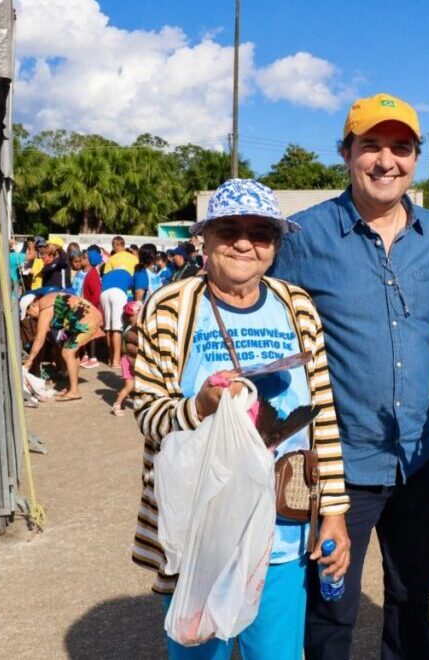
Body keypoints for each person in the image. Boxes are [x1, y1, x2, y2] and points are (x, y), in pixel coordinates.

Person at [271, 93, 429, 660]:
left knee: (414, 600)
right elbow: (255, 308)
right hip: (337, 468)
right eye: (371, 146)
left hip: (417, 460)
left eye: (401, 148)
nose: (386, 161)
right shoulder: (302, 237)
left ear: (415, 158)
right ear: (346, 153)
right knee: (330, 607)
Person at [131, 178, 350, 659]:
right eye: (230, 229)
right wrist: (201, 407)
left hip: (282, 528)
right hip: (201, 533)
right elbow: (148, 414)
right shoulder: (171, 308)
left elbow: (323, 417)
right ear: (204, 238)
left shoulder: (298, 307)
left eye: (262, 232)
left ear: (276, 244)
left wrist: (333, 511)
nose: (246, 243)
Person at [22, 291, 101, 401]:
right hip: (87, 316)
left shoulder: (45, 308)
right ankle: (72, 387)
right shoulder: (46, 301)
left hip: (87, 319)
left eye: (28, 313)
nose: (29, 316)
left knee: (67, 352)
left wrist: (29, 361)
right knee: (73, 353)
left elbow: (39, 338)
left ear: (32, 305)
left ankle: (74, 391)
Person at [100, 260, 132, 367]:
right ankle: (116, 361)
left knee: (108, 329)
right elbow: (131, 288)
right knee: (117, 328)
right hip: (118, 293)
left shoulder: (108, 274)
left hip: (104, 294)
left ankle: (110, 358)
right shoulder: (127, 273)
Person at [111, 301, 141, 416]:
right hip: (128, 361)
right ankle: (117, 404)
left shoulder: (130, 327)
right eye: (138, 312)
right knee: (129, 386)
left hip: (132, 360)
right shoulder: (130, 330)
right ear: (131, 316)